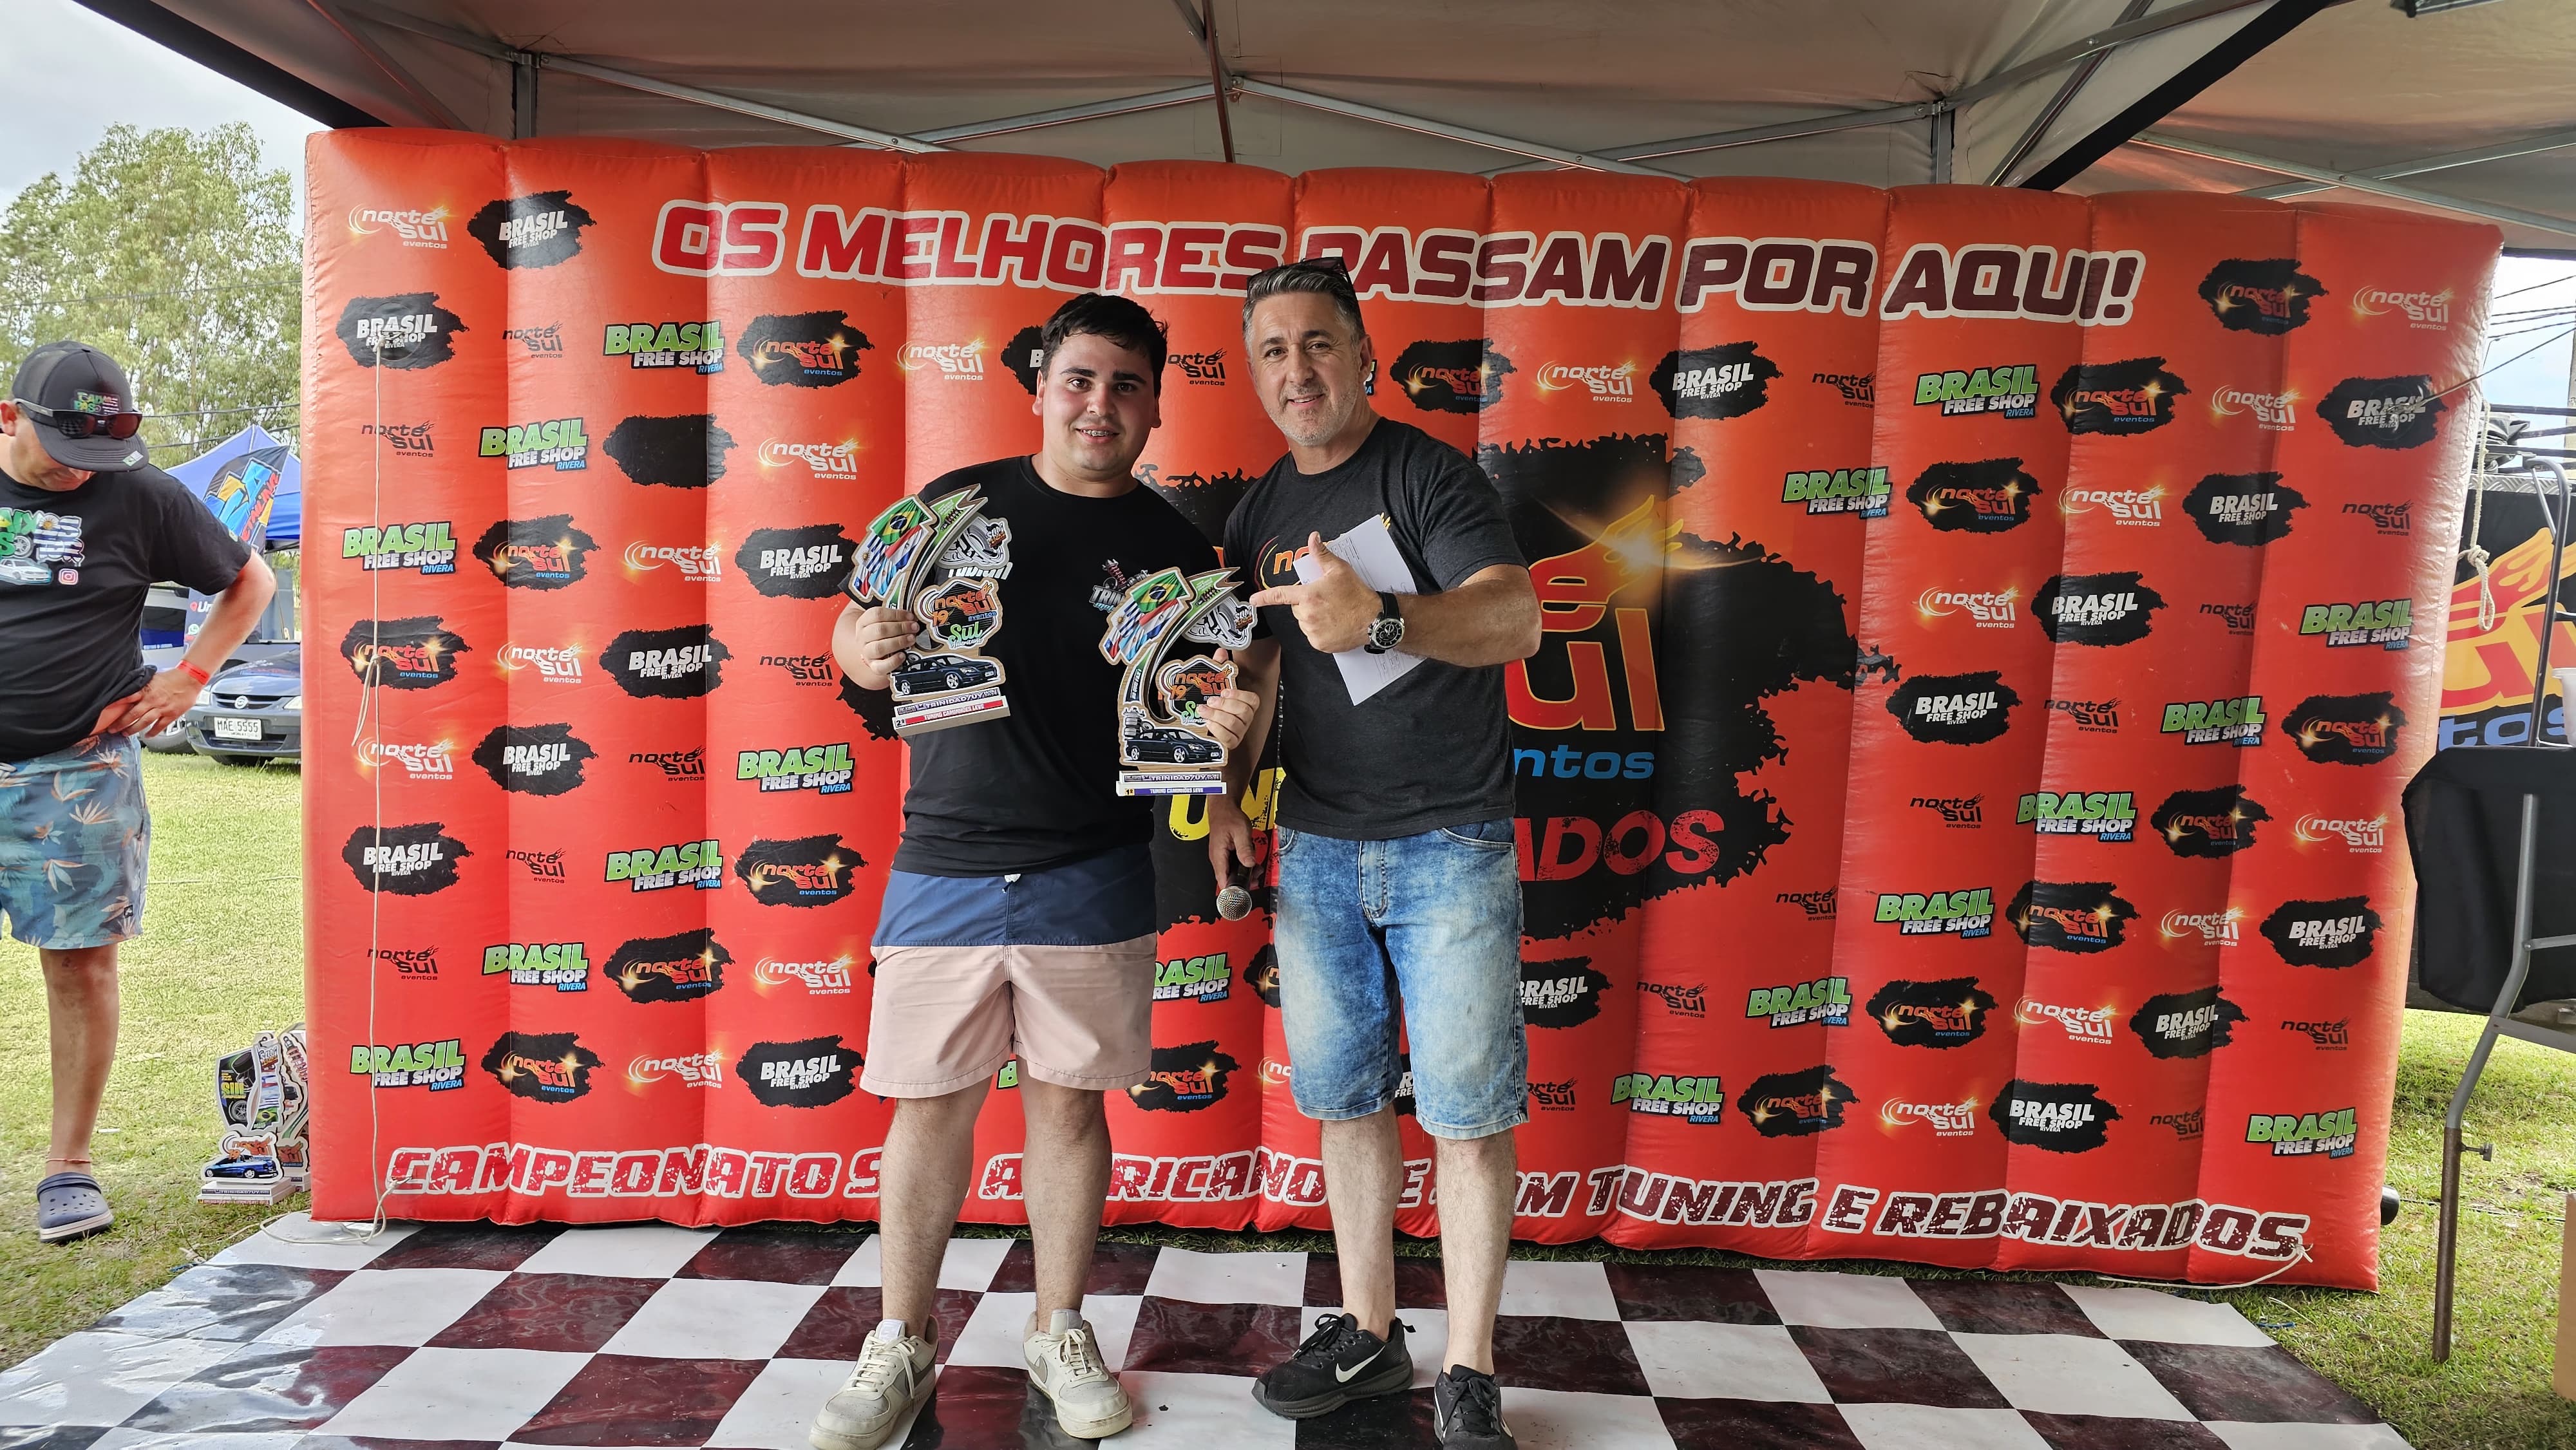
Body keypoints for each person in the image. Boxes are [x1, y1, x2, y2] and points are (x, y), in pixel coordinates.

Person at [812, 294, 1253, 1450]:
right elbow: (852, 638)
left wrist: (1224, 755)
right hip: (947, 858)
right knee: (929, 1109)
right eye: (1079, 379)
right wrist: (864, 648)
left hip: (1094, 863)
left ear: (1154, 405)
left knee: (1067, 1110)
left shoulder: (1177, 551)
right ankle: (902, 1339)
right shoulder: (953, 508)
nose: (1100, 404)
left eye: (1126, 385)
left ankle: (1059, 1330)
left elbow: (1203, 706)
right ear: (1042, 387)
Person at [1206, 258, 1542, 1449]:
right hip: (1315, 847)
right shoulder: (1255, 513)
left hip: (1451, 839)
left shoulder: (1429, 475)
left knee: (1466, 1115)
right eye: (1272, 351)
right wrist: (1228, 797)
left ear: (1363, 357)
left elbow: (1515, 615)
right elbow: (1255, 671)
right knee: (1346, 1105)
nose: (1296, 370)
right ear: (1255, 376)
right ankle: (1369, 1333)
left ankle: (1470, 1366)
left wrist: (1381, 618)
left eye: (1317, 343)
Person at [1, 341, 277, 1243]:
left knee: (80, 964)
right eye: (65, 454)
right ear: (10, 418)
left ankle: (68, 1167)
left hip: (76, 770)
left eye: (101, 455)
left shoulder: (141, 493)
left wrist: (190, 677)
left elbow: (251, 579)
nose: (83, 473)